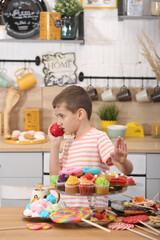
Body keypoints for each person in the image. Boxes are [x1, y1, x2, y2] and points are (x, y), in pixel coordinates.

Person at [48, 85, 133, 207]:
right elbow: (55, 176)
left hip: (94, 214)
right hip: (69, 213)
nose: (58, 122)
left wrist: (123, 162)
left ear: (80, 114)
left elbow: (126, 170)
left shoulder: (99, 137)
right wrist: (55, 144)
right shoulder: (68, 142)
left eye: (62, 116)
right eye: (57, 117)